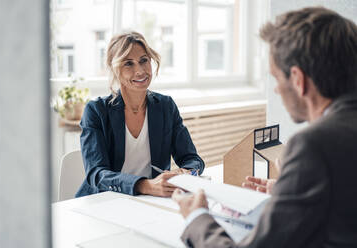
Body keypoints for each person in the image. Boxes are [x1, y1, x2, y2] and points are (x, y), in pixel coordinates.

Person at [173, 7, 357, 248]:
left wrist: (197, 218)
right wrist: (291, 194)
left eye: (276, 78)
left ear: (298, 80)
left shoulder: (313, 145)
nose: (276, 89)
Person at [76, 31, 204, 198]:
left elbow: (192, 158)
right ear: (115, 69)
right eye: (128, 64)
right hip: (103, 200)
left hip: (149, 201)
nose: (140, 71)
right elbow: (96, 174)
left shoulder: (165, 106)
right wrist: (145, 185)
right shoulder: (96, 111)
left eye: (144, 60)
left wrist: (186, 173)